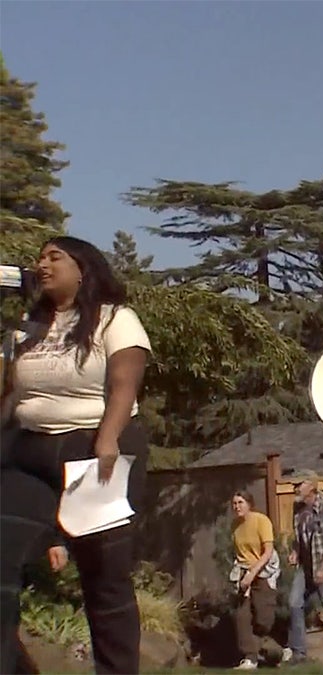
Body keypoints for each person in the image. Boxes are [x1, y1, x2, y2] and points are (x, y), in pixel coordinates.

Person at [0, 236, 152, 674]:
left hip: (90, 448)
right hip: (29, 448)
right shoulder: (26, 328)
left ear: (83, 268)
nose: (42, 264)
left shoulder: (115, 319)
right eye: (39, 258)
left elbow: (125, 383)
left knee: (104, 575)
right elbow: (12, 394)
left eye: (55, 257)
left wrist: (108, 437)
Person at [286, 470, 323, 666]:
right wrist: (295, 551)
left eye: (299, 484)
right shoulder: (298, 508)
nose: (295, 488)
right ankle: (299, 653)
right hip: (306, 566)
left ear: (311, 486)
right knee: (294, 602)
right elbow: (298, 537)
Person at [229, 491, 283, 670]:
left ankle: (271, 649)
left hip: (263, 570)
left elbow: (267, 551)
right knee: (241, 615)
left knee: (263, 617)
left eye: (240, 502)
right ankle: (249, 657)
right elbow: (238, 553)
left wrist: (253, 573)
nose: (237, 506)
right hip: (243, 572)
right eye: (235, 503)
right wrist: (242, 575)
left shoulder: (261, 521)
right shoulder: (235, 525)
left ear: (249, 503)